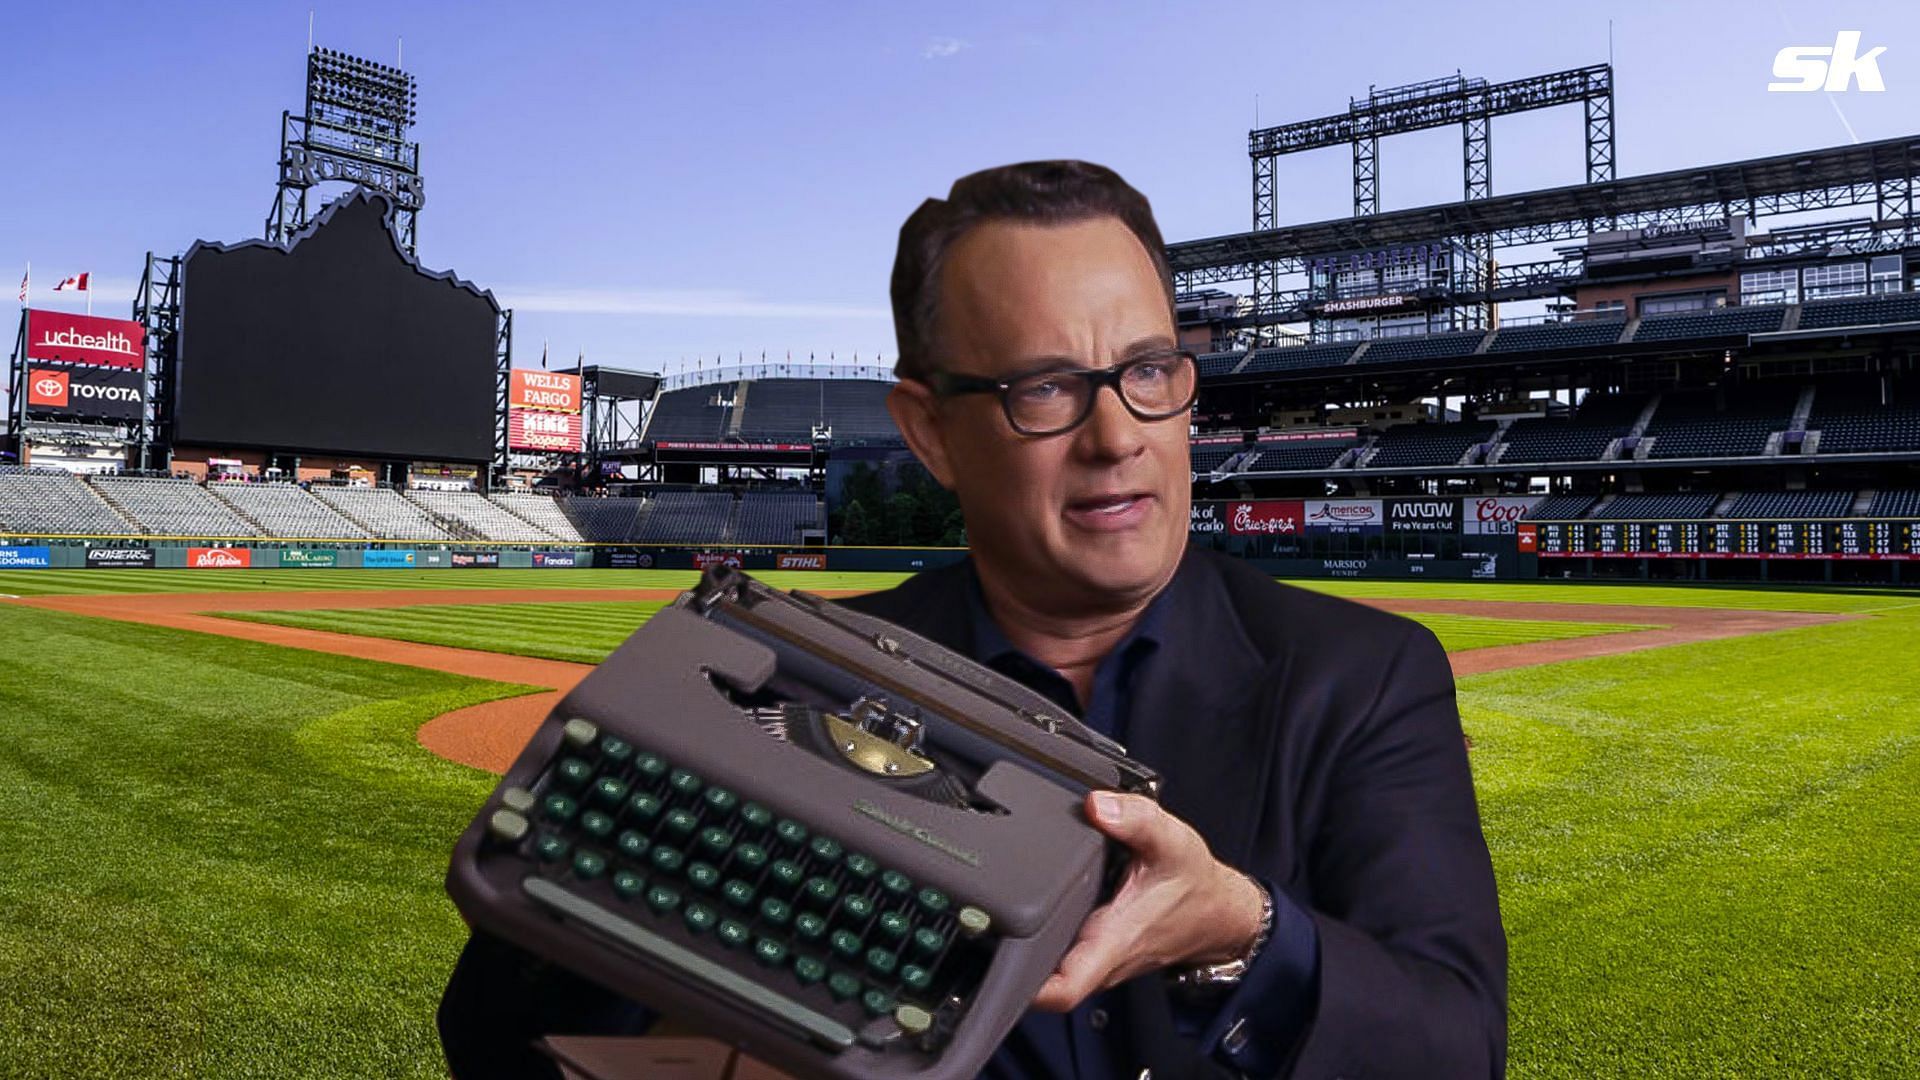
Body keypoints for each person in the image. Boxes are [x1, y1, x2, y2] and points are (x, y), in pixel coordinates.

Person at [437, 160, 1505, 1079]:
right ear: (931, 431)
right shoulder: (791, 664)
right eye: (1044, 389)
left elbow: (1459, 1047)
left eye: (1145, 372)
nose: (1115, 436)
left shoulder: (1364, 677)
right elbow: (496, 1034)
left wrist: (1246, 932)